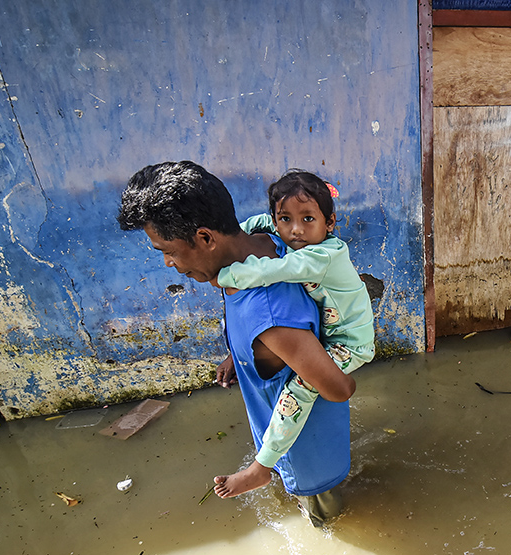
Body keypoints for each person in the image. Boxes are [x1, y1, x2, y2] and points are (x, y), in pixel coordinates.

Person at [116, 160, 353, 525]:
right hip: (283, 435)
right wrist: (239, 355)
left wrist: (274, 349)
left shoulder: (271, 316)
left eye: (169, 250)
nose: (167, 262)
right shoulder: (262, 246)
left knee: (327, 523)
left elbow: (337, 388)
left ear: (207, 239)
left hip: (309, 455)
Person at [216, 170, 374, 476]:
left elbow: (274, 270)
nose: (295, 230)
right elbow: (255, 225)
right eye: (285, 219)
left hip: (350, 345)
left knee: (299, 389)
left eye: (308, 219)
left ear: (330, 223)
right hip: (330, 336)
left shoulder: (324, 255)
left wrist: (222, 274)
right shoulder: (283, 232)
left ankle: (262, 466)